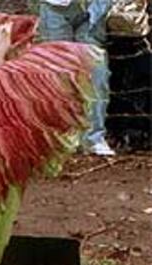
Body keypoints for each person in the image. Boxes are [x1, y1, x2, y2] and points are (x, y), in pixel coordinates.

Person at [39, 0, 116, 156]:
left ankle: (93, 138)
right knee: (58, 73)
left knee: (96, 72)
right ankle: (63, 137)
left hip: (93, 8)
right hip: (55, 7)